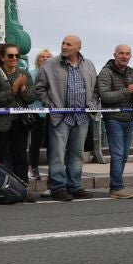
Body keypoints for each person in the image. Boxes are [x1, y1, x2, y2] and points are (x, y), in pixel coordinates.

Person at [34, 34, 98, 202]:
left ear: (79, 47)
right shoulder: (50, 65)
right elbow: (39, 88)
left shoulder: (89, 65)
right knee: (57, 154)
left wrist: (91, 103)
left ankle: (74, 186)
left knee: (77, 154)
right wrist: (50, 105)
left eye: (68, 44)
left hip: (82, 117)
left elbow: (95, 88)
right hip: (60, 117)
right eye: (63, 43)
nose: (64, 46)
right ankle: (57, 187)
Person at [0, 41, 37, 196]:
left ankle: (23, 190)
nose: (14, 58)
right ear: (2, 57)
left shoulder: (24, 74)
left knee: (20, 157)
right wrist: (13, 90)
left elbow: (32, 97)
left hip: (19, 122)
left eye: (17, 55)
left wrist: (23, 89)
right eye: (10, 55)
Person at [96, 44, 133, 198]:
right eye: (121, 53)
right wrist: (126, 91)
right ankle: (116, 187)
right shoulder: (105, 72)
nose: (124, 56)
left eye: (127, 54)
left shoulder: (132, 72)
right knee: (117, 154)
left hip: (129, 117)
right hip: (113, 118)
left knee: (125, 154)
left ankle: (116, 186)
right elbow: (105, 96)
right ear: (114, 54)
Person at [27, 48, 51, 179]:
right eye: (42, 57)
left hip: (51, 113)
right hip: (36, 112)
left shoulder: (54, 74)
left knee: (51, 143)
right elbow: (30, 93)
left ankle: (52, 170)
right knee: (35, 142)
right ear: (37, 60)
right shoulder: (31, 74)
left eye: (48, 56)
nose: (45, 59)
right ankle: (34, 168)